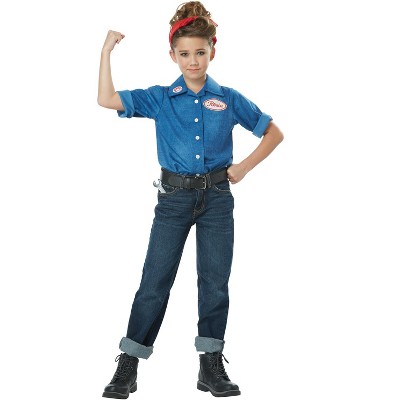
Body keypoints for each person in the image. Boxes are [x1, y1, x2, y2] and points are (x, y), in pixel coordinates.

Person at [97, 1, 284, 398]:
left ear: (213, 50)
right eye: (184, 54)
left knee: (214, 283)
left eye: (200, 52)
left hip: (217, 199)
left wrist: (244, 167)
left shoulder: (228, 98)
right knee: (154, 281)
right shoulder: (161, 98)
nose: (193, 61)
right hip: (173, 201)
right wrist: (106, 50)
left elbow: (273, 133)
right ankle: (129, 363)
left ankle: (210, 365)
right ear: (173, 55)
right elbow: (107, 99)